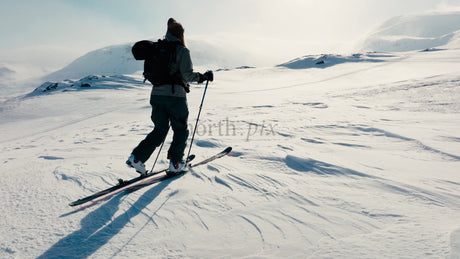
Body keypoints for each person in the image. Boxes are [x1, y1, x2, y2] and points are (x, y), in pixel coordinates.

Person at [126, 18, 213, 175]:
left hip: (156, 94)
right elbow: (187, 75)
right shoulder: (181, 50)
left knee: (160, 129)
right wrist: (203, 77)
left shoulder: (157, 48)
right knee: (180, 129)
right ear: (181, 34)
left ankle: (137, 158)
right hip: (175, 97)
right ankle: (176, 163)